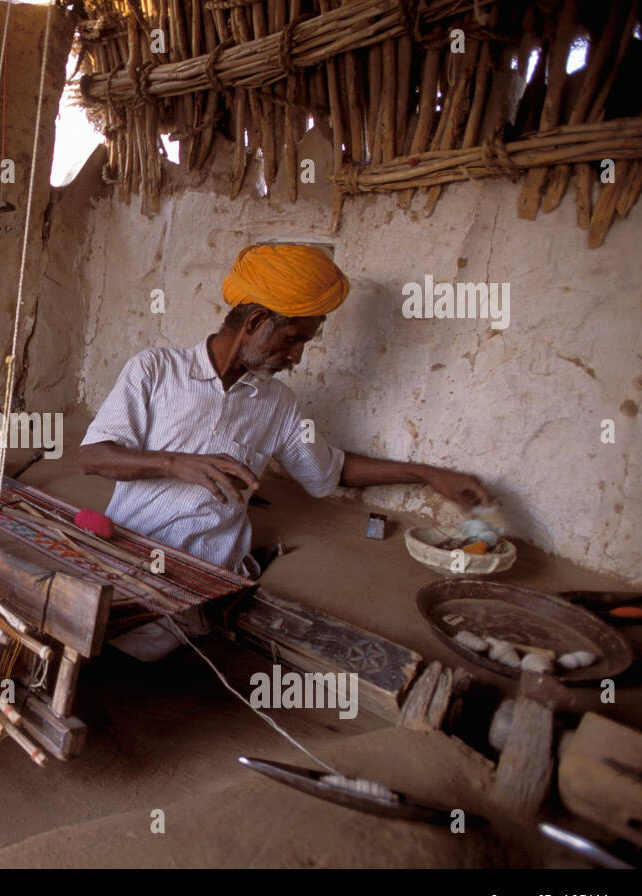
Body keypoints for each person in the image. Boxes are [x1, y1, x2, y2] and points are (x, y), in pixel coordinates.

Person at [77, 242, 492, 660]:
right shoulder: (155, 369)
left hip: (203, 573)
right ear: (256, 321)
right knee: (71, 615)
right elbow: (92, 457)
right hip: (124, 548)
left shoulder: (277, 404)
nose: (296, 357)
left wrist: (426, 474)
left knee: (130, 643)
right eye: (293, 340)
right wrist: (172, 462)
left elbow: (330, 471)